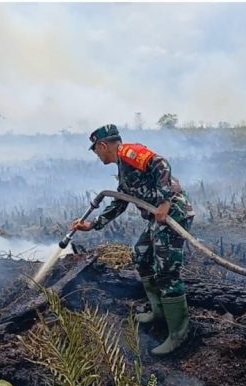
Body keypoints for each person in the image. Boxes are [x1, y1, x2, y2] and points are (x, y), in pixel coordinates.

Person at [71, 124, 194, 355]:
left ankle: (178, 334)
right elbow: (120, 199)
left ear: (103, 145)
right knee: (141, 255)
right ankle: (158, 312)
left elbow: (161, 163)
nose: (97, 155)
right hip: (159, 219)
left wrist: (166, 203)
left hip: (173, 214)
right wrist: (94, 224)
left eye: (96, 150)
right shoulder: (123, 167)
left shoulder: (128, 153)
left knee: (167, 272)